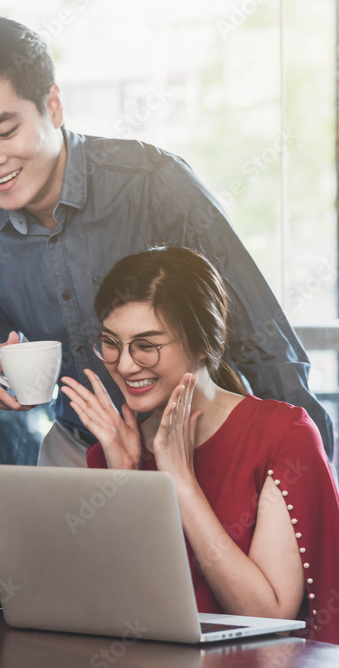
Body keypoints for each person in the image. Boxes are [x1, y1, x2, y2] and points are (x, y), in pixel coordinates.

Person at [0, 17, 333, 466]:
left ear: (53, 106)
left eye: (6, 132)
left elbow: (262, 341)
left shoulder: (154, 186)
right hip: (81, 443)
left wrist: (308, 469)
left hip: (194, 444)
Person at [59, 247, 339, 644]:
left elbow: (268, 614)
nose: (123, 365)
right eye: (111, 343)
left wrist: (181, 482)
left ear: (205, 341)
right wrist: (125, 481)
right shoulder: (116, 451)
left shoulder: (283, 435)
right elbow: (112, 615)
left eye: (146, 344)